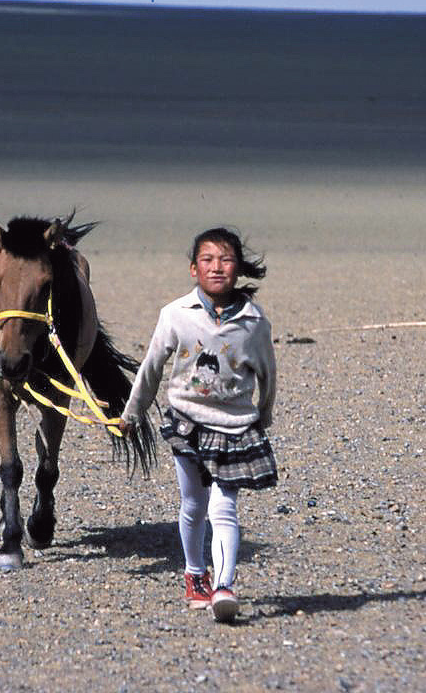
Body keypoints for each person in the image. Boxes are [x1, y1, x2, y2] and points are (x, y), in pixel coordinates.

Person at [118, 226, 277, 623]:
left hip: (234, 426)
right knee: (194, 504)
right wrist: (132, 414)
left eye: (226, 259)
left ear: (238, 268)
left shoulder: (255, 322)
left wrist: (264, 416)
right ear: (193, 269)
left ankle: (224, 586)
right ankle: (195, 574)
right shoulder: (175, 315)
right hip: (186, 421)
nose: (217, 267)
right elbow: (151, 368)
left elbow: (268, 375)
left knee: (224, 507)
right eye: (207, 259)